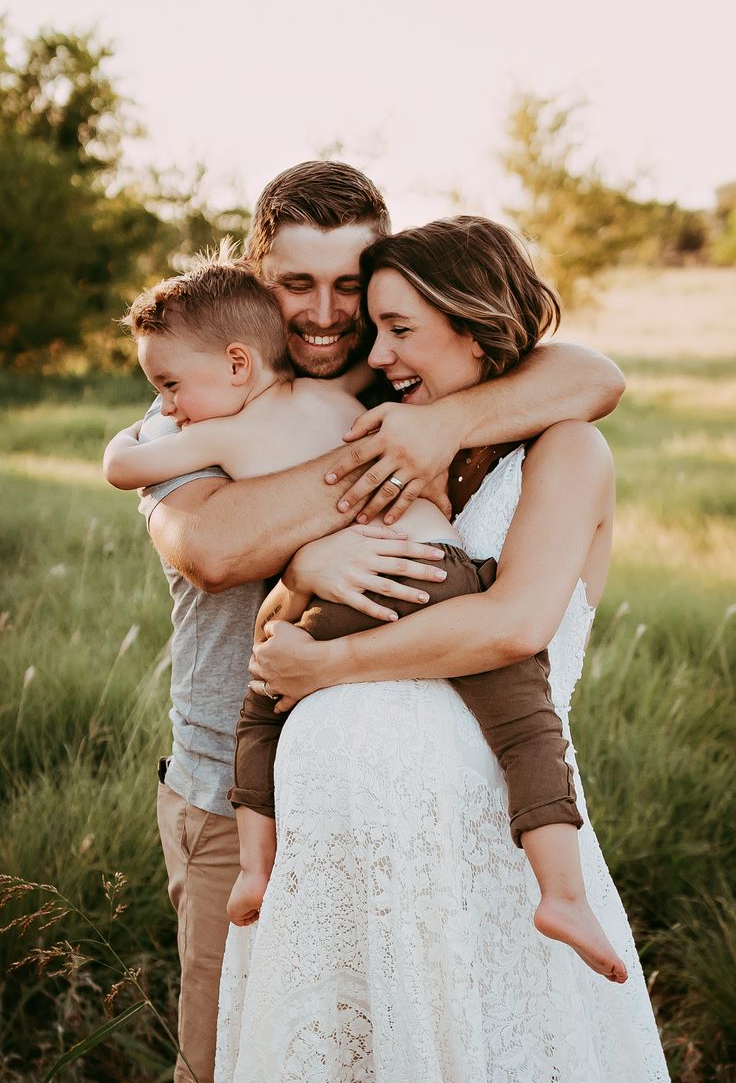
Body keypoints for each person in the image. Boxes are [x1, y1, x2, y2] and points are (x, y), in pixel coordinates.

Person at [111, 160, 625, 1083]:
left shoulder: (403, 383)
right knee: (240, 1059)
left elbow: (592, 375)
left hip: (428, 809)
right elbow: (214, 548)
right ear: (257, 273)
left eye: (351, 285)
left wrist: (437, 423)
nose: (324, 313)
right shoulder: (198, 397)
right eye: (295, 284)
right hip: (243, 795)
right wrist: (322, 543)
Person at [216, 217, 670, 1081]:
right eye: (376, 327)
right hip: (338, 867)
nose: (376, 352)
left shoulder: (567, 450)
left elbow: (514, 624)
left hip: (481, 867)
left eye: (401, 329)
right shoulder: (389, 448)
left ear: (472, 324)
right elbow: (283, 606)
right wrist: (308, 564)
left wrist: (330, 670)